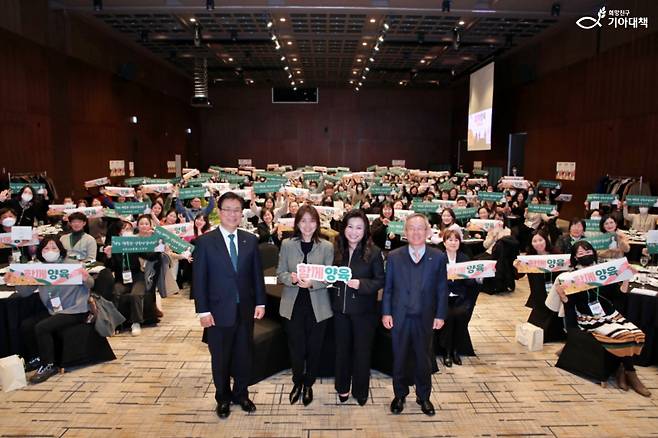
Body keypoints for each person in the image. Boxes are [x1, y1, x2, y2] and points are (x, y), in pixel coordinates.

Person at [193, 192, 266, 419]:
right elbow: (199, 280)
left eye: (237, 210)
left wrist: (261, 302)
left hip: (245, 309)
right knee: (221, 359)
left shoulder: (250, 240)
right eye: (228, 209)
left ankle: (241, 394)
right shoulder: (205, 242)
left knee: (244, 356)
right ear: (220, 212)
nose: (233, 214)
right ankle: (222, 398)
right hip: (217, 312)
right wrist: (203, 311)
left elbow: (257, 276)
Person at [545, 241, 650, 397]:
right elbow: (570, 306)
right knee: (623, 335)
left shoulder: (603, 271)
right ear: (575, 257)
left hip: (609, 314)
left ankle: (623, 369)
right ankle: (631, 372)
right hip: (588, 318)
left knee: (636, 333)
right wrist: (563, 298)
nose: (585, 255)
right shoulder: (571, 278)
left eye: (587, 251)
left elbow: (618, 296)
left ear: (593, 252)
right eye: (580, 253)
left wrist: (626, 278)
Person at [382, 213, 449, 416]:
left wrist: (440, 314)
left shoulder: (438, 256)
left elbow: (441, 289)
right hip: (400, 316)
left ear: (428, 232)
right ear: (405, 232)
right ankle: (400, 394)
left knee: (423, 359)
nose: (416, 232)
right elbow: (389, 288)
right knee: (400, 357)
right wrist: (386, 312)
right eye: (412, 228)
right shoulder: (394, 256)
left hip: (426, 317)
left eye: (421, 228)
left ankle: (424, 396)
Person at [8, 236, 93, 384]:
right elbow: (25, 293)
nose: (50, 251)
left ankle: (49, 365)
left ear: (60, 250)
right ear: (41, 251)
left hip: (75, 310)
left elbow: (91, 284)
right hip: (54, 310)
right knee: (27, 325)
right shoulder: (39, 269)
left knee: (42, 327)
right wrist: (16, 280)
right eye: (46, 248)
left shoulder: (72, 265)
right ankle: (37, 357)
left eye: (54, 248)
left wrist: (86, 278)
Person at [277, 205, 333, 407]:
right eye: (303, 221)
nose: (307, 225)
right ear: (297, 223)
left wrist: (313, 283)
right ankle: (297, 382)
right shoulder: (287, 244)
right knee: (296, 347)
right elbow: (280, 273)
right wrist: (290, 278)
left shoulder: (327, 246)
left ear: (317, 223)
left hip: (318, 306)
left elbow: (329, 277)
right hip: (293, 305)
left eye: (312, 221)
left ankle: (309, 383)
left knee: (314, 348)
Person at [332, 210, 385, 405]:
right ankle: (342, 387)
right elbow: (328, 275)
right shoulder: (336, 248)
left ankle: (361, 390)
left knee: (362, 352)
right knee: (342, 351)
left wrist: (361, 284)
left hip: (364, 312)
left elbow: (380, 280)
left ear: (365, 230)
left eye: (359, 228)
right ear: (344, 228)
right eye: (350, 226)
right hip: (340, 311)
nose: (354, 232)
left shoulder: (374, 252)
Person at [103, 215, 161, 335]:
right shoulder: (114, 246)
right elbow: (110, 267)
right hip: (121, 278)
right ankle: (116, 323)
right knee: (115, 293)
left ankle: (136, 322)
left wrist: (159, 248)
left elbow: (150, 256)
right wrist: (108, 255)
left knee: (136, 294)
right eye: (124, 229)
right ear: (119, 232)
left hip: (137, 277)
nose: (127, 231)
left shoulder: (134, 243)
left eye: (129, 229)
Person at [437, 229, 478, 367]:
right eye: (450, 240)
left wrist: (475, 278)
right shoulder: (439, 259)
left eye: (456, 240)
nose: (453, 242)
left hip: (460, 297)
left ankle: (455, 350)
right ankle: (447, 352)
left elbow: (469, 283)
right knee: (448, 317)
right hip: (443, 298)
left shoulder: (465, 259)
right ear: (444, 242)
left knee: (461, 316)